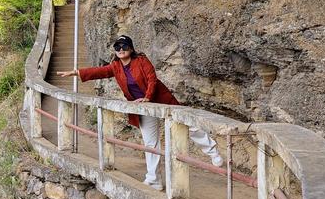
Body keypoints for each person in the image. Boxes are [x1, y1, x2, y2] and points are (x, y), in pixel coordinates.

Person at [62, 35, 223, 190]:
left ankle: (212, 151)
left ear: (131, 48)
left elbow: (152, 79)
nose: (120, 49)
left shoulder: (141, 61)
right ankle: (154, 180)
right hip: (142, 107)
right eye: (117, 47)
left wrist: (147, 97)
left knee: (187, 125)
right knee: (150, 143)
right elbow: (99, 72)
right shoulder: (116, 66)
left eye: (124, 46)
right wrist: (76, 73)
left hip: (160, 99)